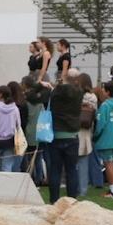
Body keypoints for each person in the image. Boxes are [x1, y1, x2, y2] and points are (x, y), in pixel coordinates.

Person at [43, 65, 86, 203]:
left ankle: (54, 200)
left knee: (55, 169)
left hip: (56, 135)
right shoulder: (78, 93)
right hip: (72, 136)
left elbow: (53, 94)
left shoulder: (55, 93)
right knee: (71, 170)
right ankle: (72, 199)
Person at [93, 85, 113, 197]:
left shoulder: (105, 105)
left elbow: (100, 124)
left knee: (108, 164)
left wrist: (95, 135)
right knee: (112, 163)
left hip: (106, 139)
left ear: (107, 92)